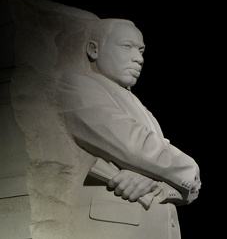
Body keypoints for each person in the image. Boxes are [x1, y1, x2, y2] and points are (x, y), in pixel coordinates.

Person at [59, 18, 201, 239]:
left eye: (142, 51)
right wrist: (190, 168)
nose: (139, 58)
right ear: (93, 49)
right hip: (114, 228)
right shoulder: (76, 86)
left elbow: (189, 190)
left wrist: (157, 182)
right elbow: (137, 147)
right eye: (127, 46)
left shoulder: (137, 105)